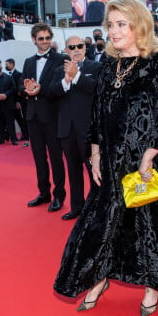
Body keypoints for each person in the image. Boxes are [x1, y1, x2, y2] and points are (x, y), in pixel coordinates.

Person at [54, 0, 158, 316]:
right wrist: (96, 153)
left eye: (121, 24)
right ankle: (99, 278)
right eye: (110, 25)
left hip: (149, 160)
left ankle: (152, 286)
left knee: (147, 227)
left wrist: (149, 157)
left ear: (139, 25)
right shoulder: (106, 63)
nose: (113, 31)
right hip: (113, 159)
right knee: (104, 224)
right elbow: (98, 114)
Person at [49, 36, 102, 220]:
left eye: (80, 46)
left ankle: (96, 211)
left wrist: (77, 76)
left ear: (85, 48)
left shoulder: (95, 68)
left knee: (94, 171)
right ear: (66, 50)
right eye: (72, 47)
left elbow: (97, 90)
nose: (77, 49)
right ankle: (77, 207)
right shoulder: (58, 71)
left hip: (88, 130)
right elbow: (51, 93)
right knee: (73, 171)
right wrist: (66, 80)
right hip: (66, 130)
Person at [20, 22, 66, 212]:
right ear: (34, 40)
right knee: (39, 158)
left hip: (52, 116)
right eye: (41, 38)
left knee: (56, 158)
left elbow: (60, 87)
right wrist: (26, 90)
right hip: (33, 116)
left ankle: (59, 195)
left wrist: (40, 90)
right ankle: (44, 192)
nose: (45, 41)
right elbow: (20, 86)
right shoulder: (29, 62)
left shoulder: (60, 59)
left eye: (48, 38)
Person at [5, 58, 28, 141]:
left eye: (6, 64)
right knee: (11, 119)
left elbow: (19, 90)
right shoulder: (7, 75)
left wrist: (18, 101)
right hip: (10, 101)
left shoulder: (19, 74)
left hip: (17, 101)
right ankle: (7, 135)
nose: (5, 66)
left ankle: (25, 135)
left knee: (20, 119)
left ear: (12, 64)